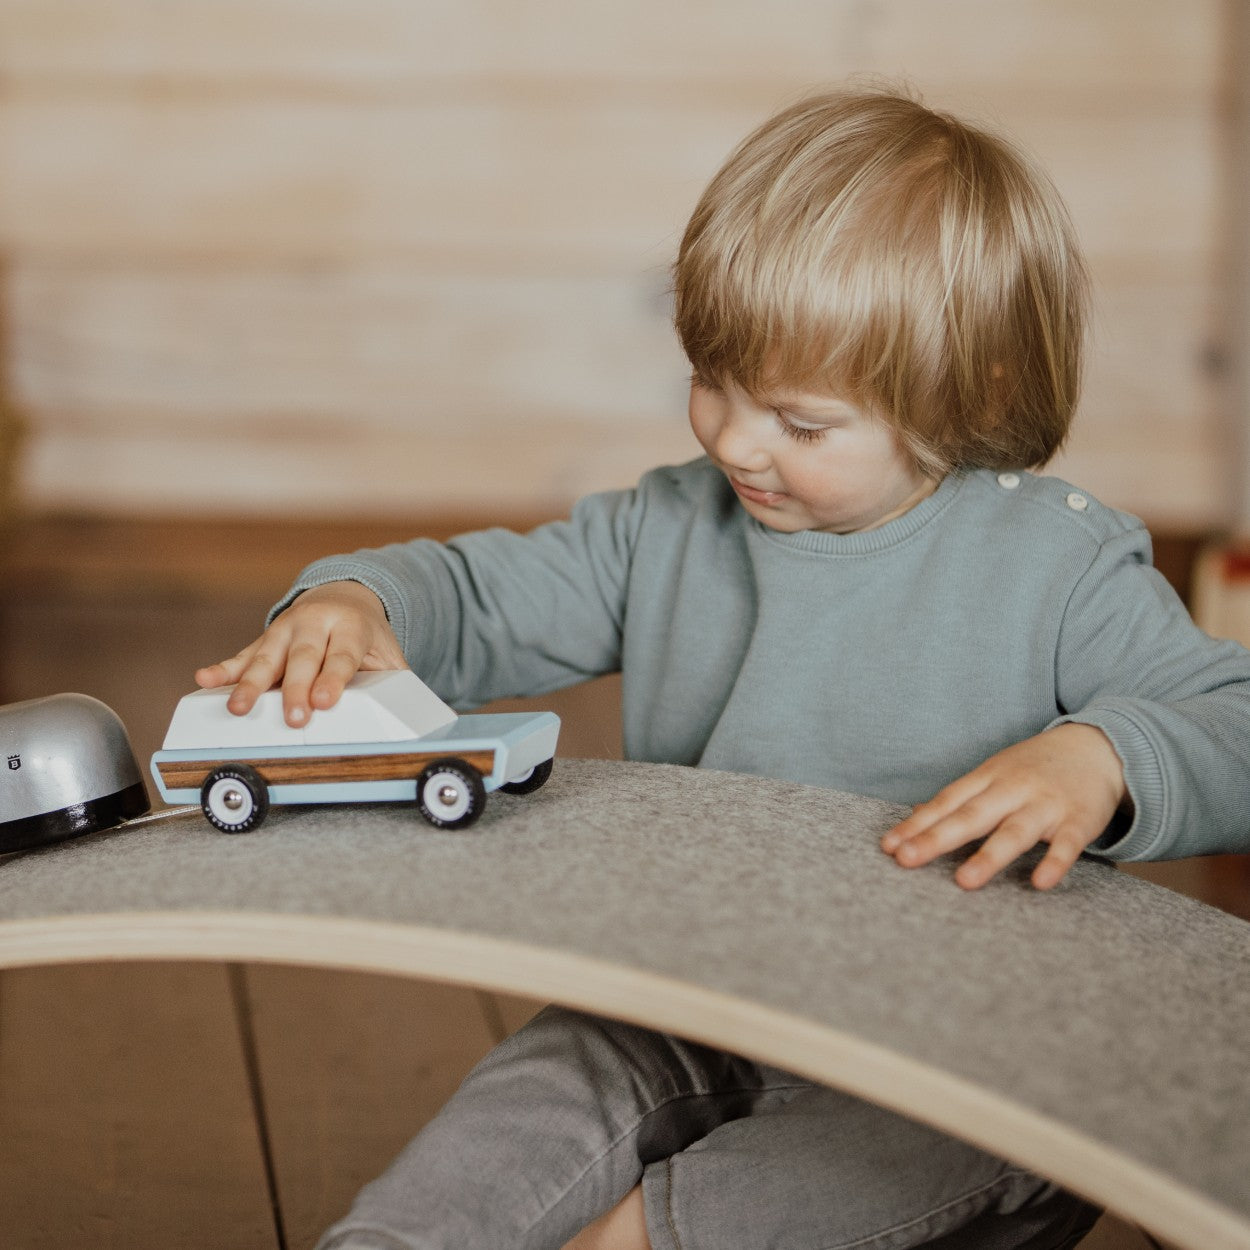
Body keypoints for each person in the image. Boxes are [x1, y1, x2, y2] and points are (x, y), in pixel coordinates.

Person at [198, 89, 1250, 1250]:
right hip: (695, 996)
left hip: (956, 1046)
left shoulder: (1056, 563)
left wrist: (1102, 755)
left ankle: (639, 1235)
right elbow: (481, 591)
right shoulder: (670, 526)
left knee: (978, 1124)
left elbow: (1234, 717)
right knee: (543, 1083)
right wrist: (360, 601)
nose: (734, 441)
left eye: (800, 423)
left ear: (972, 392)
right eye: (713, 379)